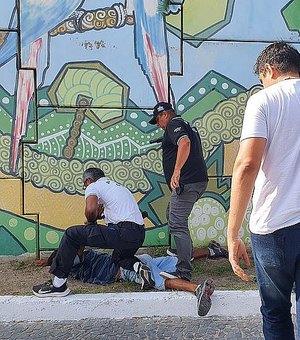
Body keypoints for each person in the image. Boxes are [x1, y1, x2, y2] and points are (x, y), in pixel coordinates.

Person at [227, 41, 300, 339]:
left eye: (262, 78)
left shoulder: (264, 100)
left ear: (269, 69)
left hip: (274, 227)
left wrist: (233, 234)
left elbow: (246, 165)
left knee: (275, 312)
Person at [33, 167, 154, 297]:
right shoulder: (119, 188)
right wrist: (97, 217)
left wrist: (91, 221)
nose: (86, 188)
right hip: (139, 235)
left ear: (88, 180)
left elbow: (90, 210)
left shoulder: (94, 186)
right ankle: (139, 268)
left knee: (71, 234)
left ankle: (58, 285)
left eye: (84, 185)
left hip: (123, 231)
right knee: (119, 258)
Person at [37, 247, 217, 316]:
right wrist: (47, 261)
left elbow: (74, 253)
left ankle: (197, 289)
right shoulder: (84, 259)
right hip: (138, 259)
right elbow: (72, 254)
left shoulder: (78, 264)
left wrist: (50, 263)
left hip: (128, 269)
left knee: (161, 282)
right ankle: (212, 250)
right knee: (179, 259)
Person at [149, 102, 208, 281]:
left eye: (158, 120)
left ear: (165, 115)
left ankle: (183, 272)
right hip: (195, 182)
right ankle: (184, 252)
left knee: (177, 223)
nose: (158, 124)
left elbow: (184, 142)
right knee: (172, 213)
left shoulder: (174, 125)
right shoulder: (184, 124)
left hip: (187, 183)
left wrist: (177, 171)